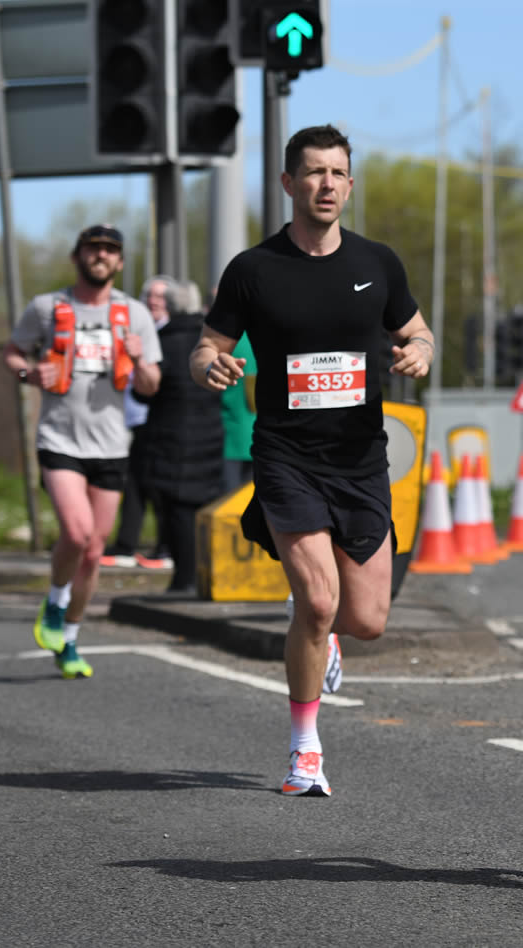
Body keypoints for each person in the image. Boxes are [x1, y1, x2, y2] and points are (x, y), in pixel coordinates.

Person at [191, 124, 433, 797]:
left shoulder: (377, 263)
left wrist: (420, 351)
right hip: (286, 456)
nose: (326, 184)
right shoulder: (253, 270)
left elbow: (417, 329)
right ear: (288, 184)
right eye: (314, 172)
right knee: (319, 599)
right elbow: (207, 345)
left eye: (337, 173)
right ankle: (305, 752)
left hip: (360, 460)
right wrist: (210, 365)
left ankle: (322, 635)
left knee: (367, 621)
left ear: (349, 185)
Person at [4, 223, 162, 679]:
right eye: (93, 248)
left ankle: (70, 638)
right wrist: (29, 375)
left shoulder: (134, 315)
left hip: (112, 444)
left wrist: (138, 360)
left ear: (120, 262)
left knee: (94, 551)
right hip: (59, 439)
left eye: (110, 250)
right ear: (77, 257)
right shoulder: (47, 308)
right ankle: (54, 604)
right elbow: (13, 353)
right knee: (76, 533)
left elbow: (152, 385)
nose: (101, 255)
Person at [131, 276, 222, 595]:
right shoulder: (211, 342)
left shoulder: (162, 344)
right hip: (211, 433)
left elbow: (144, 392)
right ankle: (206, 574)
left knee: (176, 510)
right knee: (204, 507)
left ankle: (184, 577)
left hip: (169, 436)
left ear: (168, 307)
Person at [102, 275, 178, 570]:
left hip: (156, 417)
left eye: (160, 297)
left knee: (156, 484)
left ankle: (164, 545)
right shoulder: (135, 330)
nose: (154, 301)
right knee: (133, 482)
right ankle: (127, 543)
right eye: (150, 296)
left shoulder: (169, 335)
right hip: (130, 415)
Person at [219, 328, 257, 493]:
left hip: (230, 437)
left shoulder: (225, 341)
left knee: (226, 507)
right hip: (257, 436)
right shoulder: (265, 338)